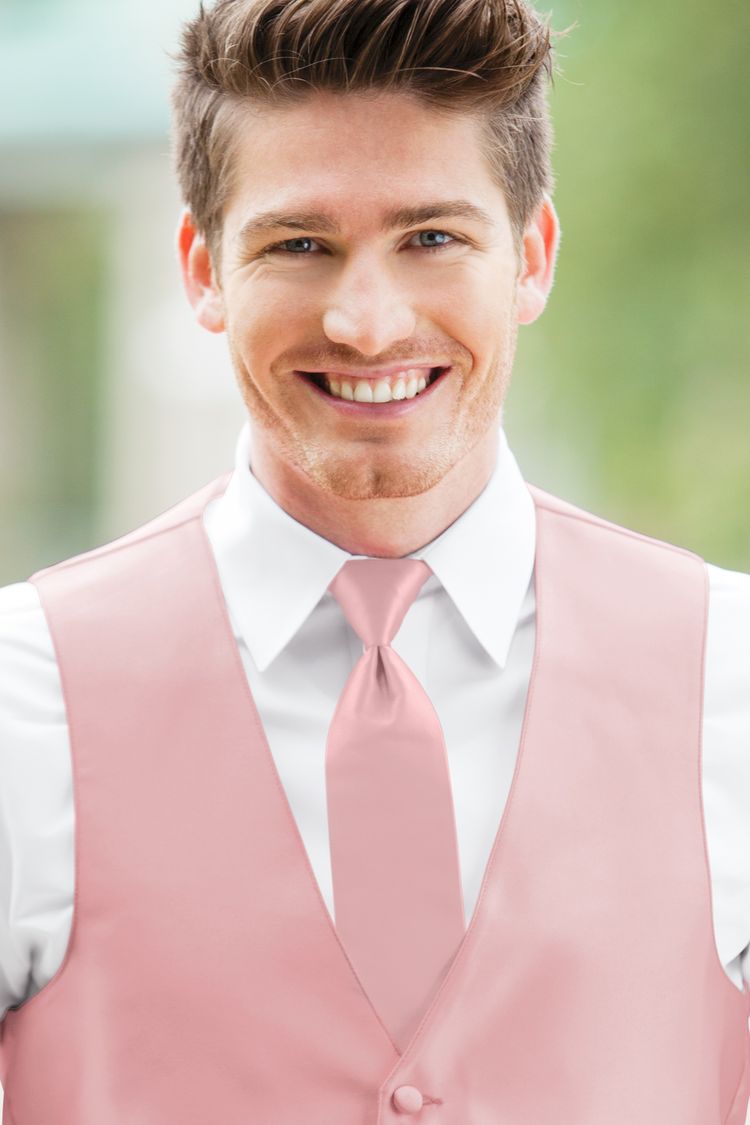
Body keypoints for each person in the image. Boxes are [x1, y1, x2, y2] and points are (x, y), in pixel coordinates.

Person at [0, 0, 748, 1120]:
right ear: (203, 269)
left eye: (432, 238)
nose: (366, 323)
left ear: (532, 257)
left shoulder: (731, 676)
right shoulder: (23, 699)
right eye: (299, 244)